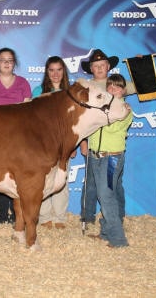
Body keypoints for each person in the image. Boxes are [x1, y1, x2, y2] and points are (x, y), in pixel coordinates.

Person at [78, 49, 136, 227]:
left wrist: (140, 64)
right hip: (94, 144)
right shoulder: (86, 86)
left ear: (108, 66)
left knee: (114, 184)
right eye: (96, 66)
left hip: (112, 149)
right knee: (91, 183)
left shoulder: (117, 84)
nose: (100, 68)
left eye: (102, 65)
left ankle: (117, 218)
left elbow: (143, 85)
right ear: (91, 69)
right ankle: (87, 218)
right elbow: (81, 118)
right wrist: (83, 141)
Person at [0, 47, 31, 224]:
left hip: (18, 137)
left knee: (18, 176)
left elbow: (27, 111)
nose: (6, 63)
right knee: (0, 176)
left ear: (14, 63)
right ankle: (1, 214)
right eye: (3, 59)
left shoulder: (23, 83)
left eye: (10, 60)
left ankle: (17, 214)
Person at [87, 74, 133, 247]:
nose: (113, 89)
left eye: (117, 87)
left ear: (123, 91)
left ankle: (118, 239)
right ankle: (106, 232)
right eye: (110, 86)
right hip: (95, 156)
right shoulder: (100, 106)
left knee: (106, 196)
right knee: (104, 195)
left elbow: (112, 128)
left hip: (112, 157)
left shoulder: (125, 109)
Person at [32, 56, 73, 229]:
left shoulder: (72, 92)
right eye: (51, 70)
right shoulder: (38, 91)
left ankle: (60, 217)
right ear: (47, 72)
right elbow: (32, 119)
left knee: (61, 182)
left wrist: (73, 144)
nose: (55, 74)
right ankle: (44, 217)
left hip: (64, 144)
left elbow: (75, 122)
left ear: (63, 71)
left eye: (59, 69)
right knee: (44, 182)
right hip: (43, 145)